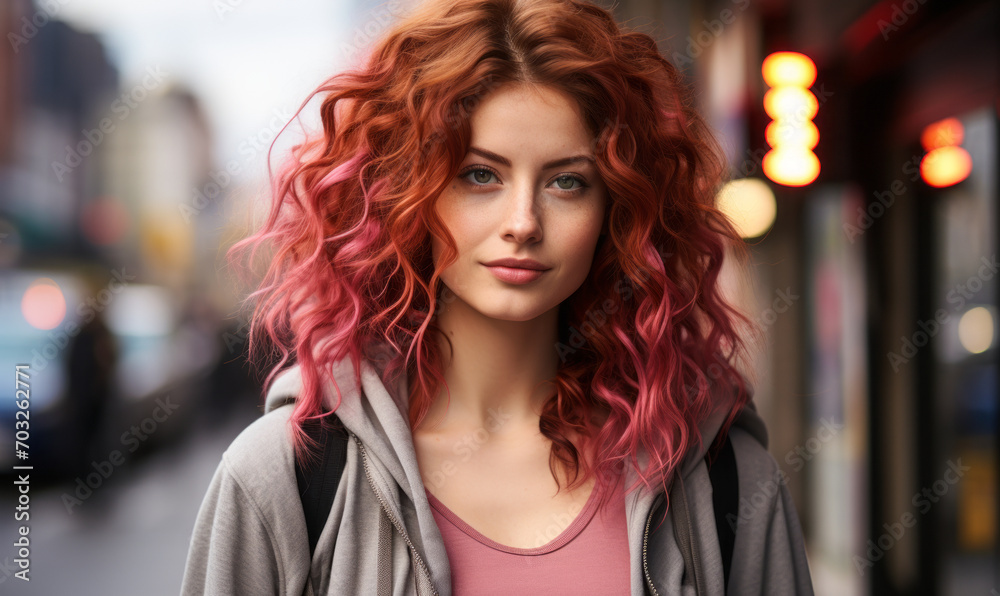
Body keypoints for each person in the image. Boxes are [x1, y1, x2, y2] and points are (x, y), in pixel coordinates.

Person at [180, 0, 815, 594]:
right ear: (407, 193)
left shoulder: (724, 479)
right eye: (480, 174)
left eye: (567, 181)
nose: (523, 221)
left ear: (616, 211)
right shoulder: (285, 482)